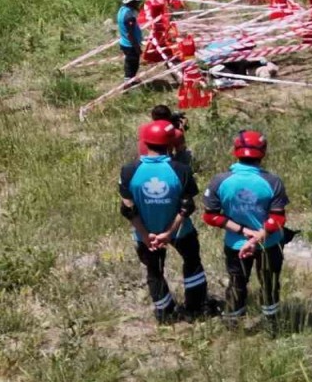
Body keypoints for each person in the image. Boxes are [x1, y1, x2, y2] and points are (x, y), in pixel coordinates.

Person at [119, 120, 209, 323]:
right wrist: (169, 232)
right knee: (192, 263)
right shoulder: (181, 170)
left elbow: (127, 208)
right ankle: (195, 308)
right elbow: (187, 206)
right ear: (170, 144)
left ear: (145, 142)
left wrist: (144, 234)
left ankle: (165, 313)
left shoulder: (129, 170)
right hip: (180, 231)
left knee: (154, 271)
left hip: (146, 234)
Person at [202, 131, 289, 326]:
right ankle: (272, 323)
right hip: (269, 243)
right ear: (263, 153)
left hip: (235, 244)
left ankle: (232, 322)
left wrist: (243, 232)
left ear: (236, 152)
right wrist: (258, 236)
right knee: (270, 283)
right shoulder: (272, 181)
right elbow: (278, 217)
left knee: (237, 282)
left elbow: (211, 215)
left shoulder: (220, 180)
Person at [117, 0, 143, 83]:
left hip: (125, 43)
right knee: (132, 65)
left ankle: (131, 79)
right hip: (130, 46)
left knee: (130, 62)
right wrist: (137, 48)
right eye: (137, 2)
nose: (138, 3)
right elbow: (130, 34)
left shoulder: (123, 10)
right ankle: (128, 82)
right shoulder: (129, 17)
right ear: (131, 2)